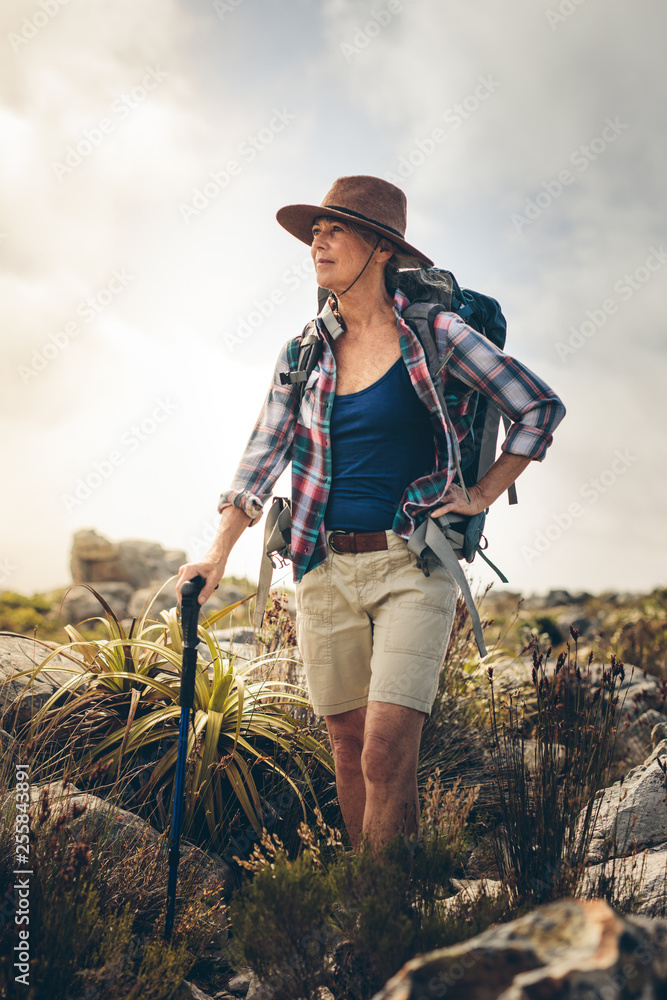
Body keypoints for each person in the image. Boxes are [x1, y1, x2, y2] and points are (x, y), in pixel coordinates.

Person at [177, 175, 566, 850]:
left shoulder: (439, 335)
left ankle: (394, 909)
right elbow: (261, 457)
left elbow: (537, 407)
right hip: (322, 566)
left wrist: (477, 495)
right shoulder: (302, 352)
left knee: (387, 748)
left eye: (334, 230)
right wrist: (217, 553)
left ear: (382, 248)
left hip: (413, 564)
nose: (317, 242)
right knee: (346, 738)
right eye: (313, 233)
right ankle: (368, 902)